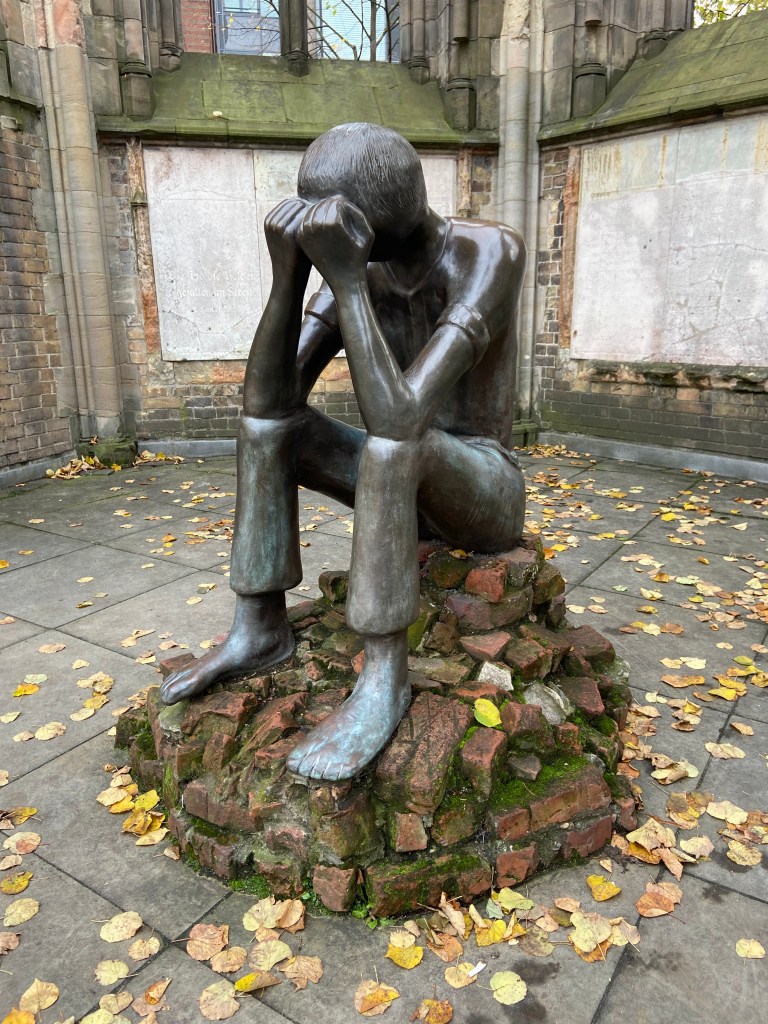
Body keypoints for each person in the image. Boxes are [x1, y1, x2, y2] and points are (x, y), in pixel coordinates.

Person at [160, 122, 526, 781]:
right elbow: (267, 402)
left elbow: (401, 418)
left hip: (484, 490)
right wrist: (287, 281)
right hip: (406, 469)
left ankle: (385, 676)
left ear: (366, 232)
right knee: (271, 430)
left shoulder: (490, 252)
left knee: (394, 446)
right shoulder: (358, 267)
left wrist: (352, 282)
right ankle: (258, 626)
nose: (318, 238)